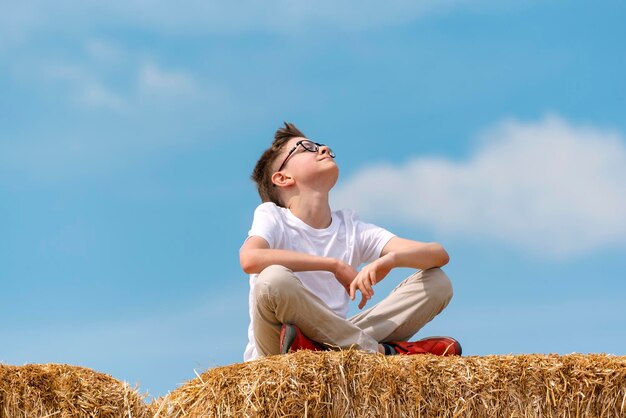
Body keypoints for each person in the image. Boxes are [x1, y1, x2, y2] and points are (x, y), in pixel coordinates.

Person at [240, 122, 460, 361]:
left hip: (337, 340)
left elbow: (438, 255)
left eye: (321, 146)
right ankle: (381, 353)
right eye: (306, 148)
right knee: (273, 279)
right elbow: (250, 259)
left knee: (438, 282)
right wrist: (332, 264)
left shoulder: (350, 229)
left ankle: (326, 352)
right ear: (283, 177)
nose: (323, 149)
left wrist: (392, 260)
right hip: (276, 346)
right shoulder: (272, 215)